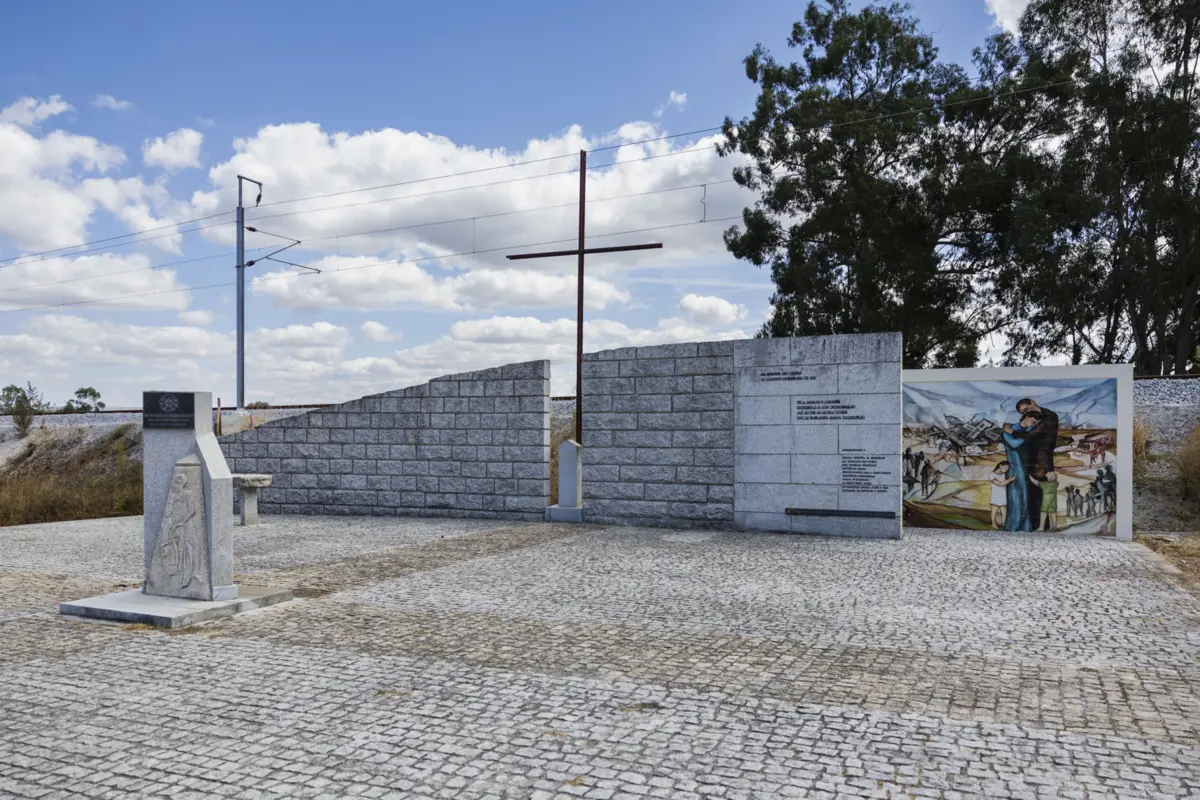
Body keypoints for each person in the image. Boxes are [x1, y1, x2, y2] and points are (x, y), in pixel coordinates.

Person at [1000, 414, 1040, 531]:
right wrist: (1028, 432)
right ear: (1026, 417)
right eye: (1033, 421)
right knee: (1017, 497)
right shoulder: (1009, 431)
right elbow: (1015, 443)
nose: (1034, 424)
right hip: (1015, 468)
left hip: (1027, 467)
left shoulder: (1024, 432)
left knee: (1026, 497)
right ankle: (1014, 525)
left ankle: (1025, 526)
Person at [990, 461, 1015, 529]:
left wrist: (1009, 479)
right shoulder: (992, 474)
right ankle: (993, 524)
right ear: (1000, 465)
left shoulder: (1004, 474)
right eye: (1005, 468)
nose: (1006, 470)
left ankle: (1004, 525)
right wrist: (1010, 480)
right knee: (994, 511)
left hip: (1003, 496)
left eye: (1007, 469)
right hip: (995, 496)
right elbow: (1000, 484)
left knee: (1004, 512)